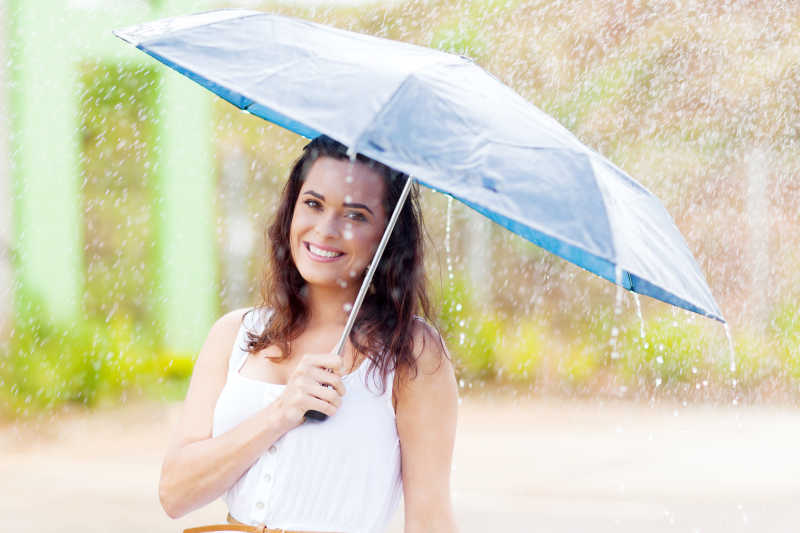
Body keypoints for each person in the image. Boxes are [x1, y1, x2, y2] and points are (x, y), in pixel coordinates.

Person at [158, 135, 460, 533]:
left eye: (355, 215)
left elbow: (430, 520)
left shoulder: (411, 353)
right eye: (313, 204)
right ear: (291, 210)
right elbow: (175, 493)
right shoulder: (235, 334)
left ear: (386, 238)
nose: (326, 229)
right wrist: (281, 413)